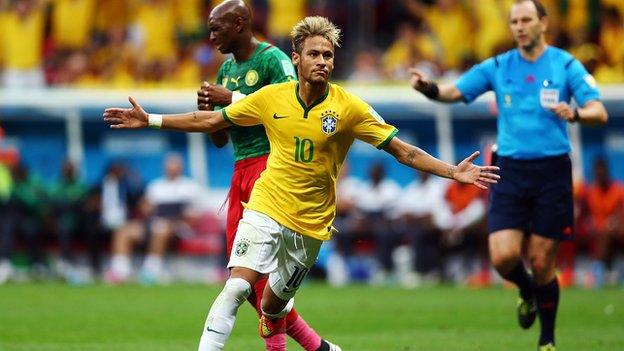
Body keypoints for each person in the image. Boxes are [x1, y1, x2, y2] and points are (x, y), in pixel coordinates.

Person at [103, 16, 499, 351]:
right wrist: (151, 119)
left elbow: (403, 152)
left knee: (274, 308)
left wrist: (453, 171)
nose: (322, 61)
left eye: (328, 55)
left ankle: (320, 346)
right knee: (236, 289)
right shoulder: (271, 97)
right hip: (266, 205)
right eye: (314, 54)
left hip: (310, 224)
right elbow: (210, 120)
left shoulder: (349, 107)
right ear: (297, 59)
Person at [408, 1, 608, 349]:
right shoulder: (499, 65)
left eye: (526, 19)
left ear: (543, 23)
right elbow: (455, 91)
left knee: (543, 261)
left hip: (552, 169)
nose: (519, 26)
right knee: (503, 257)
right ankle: (527, 291)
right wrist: (429, 88)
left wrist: (575, 113)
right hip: (510, 170)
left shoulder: (564, 64)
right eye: (514, 21)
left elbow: (599, 110)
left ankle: (547, 340)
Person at [196, 1, 335, 350]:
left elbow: (291, 107)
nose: (211, 36)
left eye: (217, 28)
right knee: (244, 279)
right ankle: (322, 349)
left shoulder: (274, 60)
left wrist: (233, 97)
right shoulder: (226, 69)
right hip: (240, 170)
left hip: (270, 166)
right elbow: (218, 138)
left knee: (252, 284)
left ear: (240, 23)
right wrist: (210, 111)